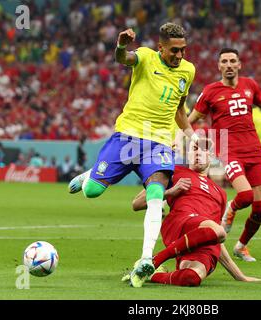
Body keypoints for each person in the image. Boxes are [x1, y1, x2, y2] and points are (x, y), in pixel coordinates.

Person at [68, 23, 199, 286]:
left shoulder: (188, 70)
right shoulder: (146, 56)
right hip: (128, 135)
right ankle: (90, 175)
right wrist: (120, 45)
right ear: (160, 47)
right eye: (174, 50)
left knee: (155, 196)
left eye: (183, 50)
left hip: (160, 142)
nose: (179, 56)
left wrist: (193, 137)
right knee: (92, 191)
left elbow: (180, 108)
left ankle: (146, 259)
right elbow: (123, 58)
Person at [188, 48, 261, 261]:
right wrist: (176, 137)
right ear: (219, 66)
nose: (228, 65)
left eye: (232, 61)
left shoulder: (250, 85)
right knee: (245, 196)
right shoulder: (210, 91)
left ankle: (241, 246)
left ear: (239, 64)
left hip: (254, 150)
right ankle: (230, 210)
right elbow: (191, 119)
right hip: (229, 150)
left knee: (260, 207)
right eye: (224, 61)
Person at [125, 139, 261, 287]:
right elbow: (137, 204)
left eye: (203, 150)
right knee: (218, 230)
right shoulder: (174, 172)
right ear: (188, 154)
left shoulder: (221, 193)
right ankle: (154, 260)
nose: (198, 153)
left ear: (210, 155)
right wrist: (172, 191)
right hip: (180, 223)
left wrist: (239, 276)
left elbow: (215, 236)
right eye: (195, 149)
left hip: (201, 241)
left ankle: (151, 273)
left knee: (191, 277)